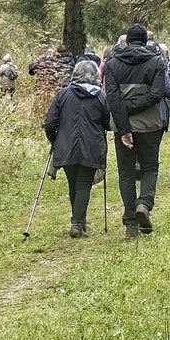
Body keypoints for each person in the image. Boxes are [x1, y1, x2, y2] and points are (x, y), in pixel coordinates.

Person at [101, 21, 170, 235]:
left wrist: (124, 126)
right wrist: (135, 107)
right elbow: (156, 95)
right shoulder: (156, 62)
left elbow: (112, 99)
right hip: (150, 125)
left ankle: (130, 223)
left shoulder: (113, 64)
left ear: (127, 40)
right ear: (145, 40)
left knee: (125, 173)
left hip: (122, 127)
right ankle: (143, 204)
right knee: (150, 168)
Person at [41, 51, 111, 236]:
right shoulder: (100, 96)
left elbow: (50, 122)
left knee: (74, 184)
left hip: (66, 145)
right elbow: (108, 122)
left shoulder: (63, 94)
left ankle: (78, 221)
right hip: (92, 146)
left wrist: (54, 139)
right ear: (95, 75)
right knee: (83, 185)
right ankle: (77, 223)